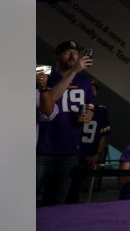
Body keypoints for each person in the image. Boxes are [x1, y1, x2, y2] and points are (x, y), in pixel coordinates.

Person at [36, 40, 95, 206]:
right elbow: (49, 100)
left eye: (76, 53)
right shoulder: (46, 77)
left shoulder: (85, 82)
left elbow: (89, 106)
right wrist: (74, 72)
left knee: (56, 204)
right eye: (67, 52)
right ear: (57, 56)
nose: (73, 56)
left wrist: (89, 114)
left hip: (70, 150)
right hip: (43, 148)